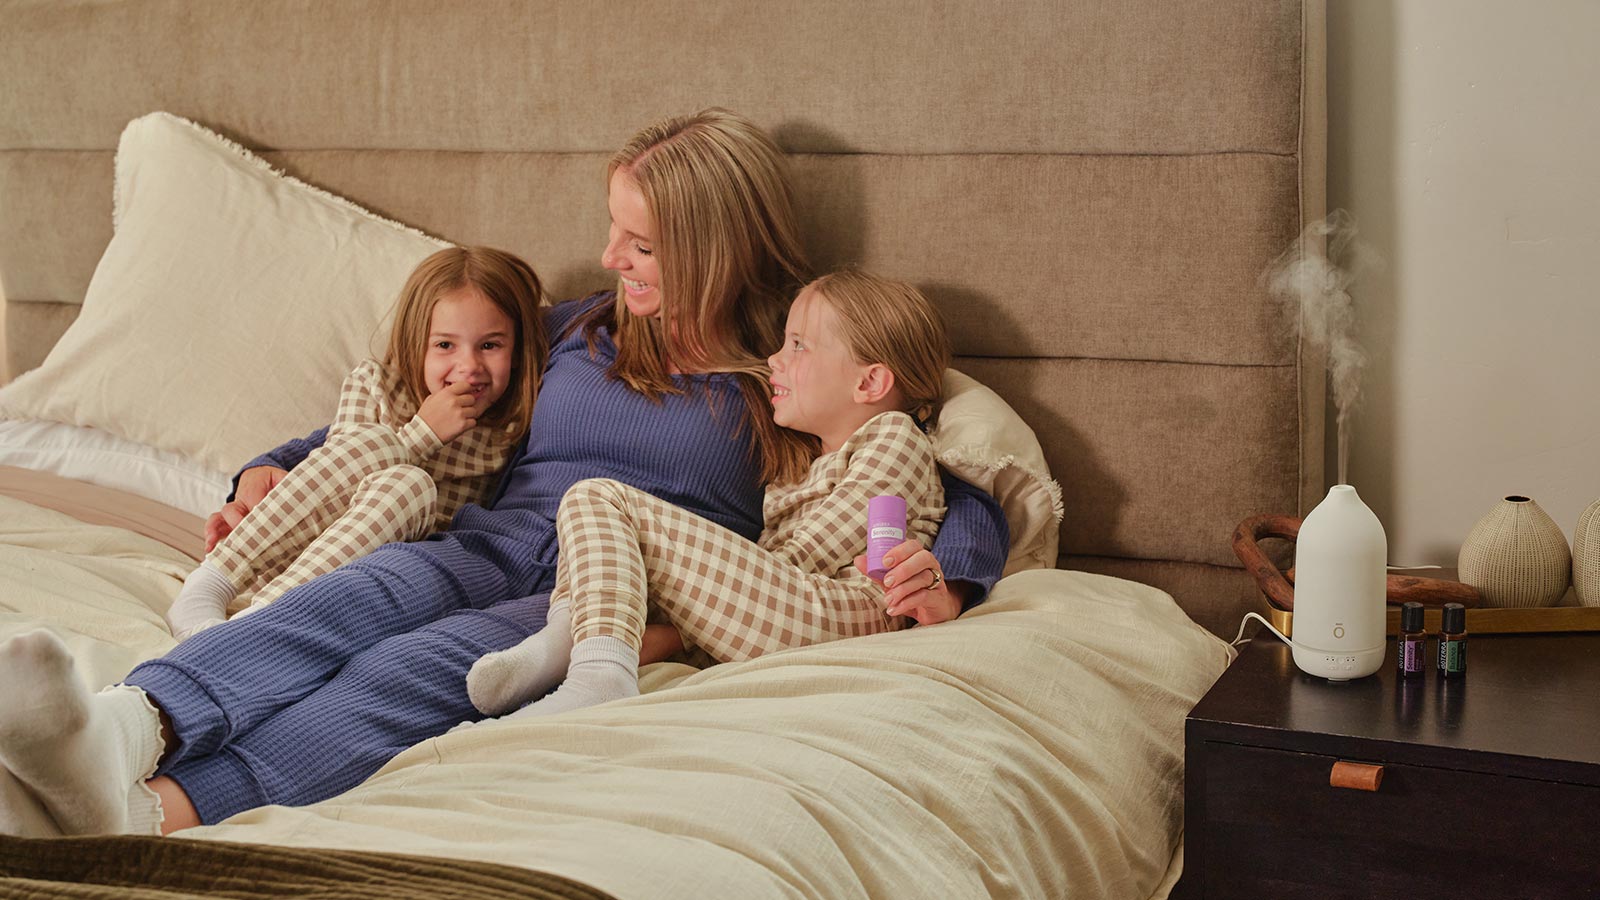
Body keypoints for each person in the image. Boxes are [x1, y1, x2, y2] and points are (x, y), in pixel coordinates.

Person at [0, 108, 1008, 839]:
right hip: (478, 542)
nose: (609, 254)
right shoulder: (578, 331)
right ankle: (129, 728)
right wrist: (269, 468)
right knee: (342, 603)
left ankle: (155, 813)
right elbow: (432, 403)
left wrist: (948, 575)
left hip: (590, 595)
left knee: (400, 677)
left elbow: (934, 473)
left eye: (640, 242)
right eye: (614, 229)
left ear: (713, 252)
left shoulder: (786, 379)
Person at [469, 269, 953, 718]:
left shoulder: (894, 435)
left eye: (798, 346)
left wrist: (691, 588)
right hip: (794, 614)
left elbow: (808, 557)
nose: (774, 360)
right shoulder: (802, 464)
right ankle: (574, 646)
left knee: (599, 499)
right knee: (617, 549)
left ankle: (591, 667)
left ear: (869, 381)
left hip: (851, 616)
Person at [164, 246, 547, 639]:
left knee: (408, 489)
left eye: (490, 345)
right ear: (417, 345)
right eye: (445, 345)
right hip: (306, 544)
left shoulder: (510, 434)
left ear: (516, 351)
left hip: (375, 573)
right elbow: (340, 468)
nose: (469, 366)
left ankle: (257, 622)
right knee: (382, 452)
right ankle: (212, 580)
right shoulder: (376, 386)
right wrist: (422, 435)